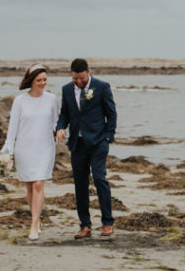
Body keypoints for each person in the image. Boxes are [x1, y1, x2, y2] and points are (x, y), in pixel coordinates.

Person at [55, 58, 117, 238]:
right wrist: (60, 128)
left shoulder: (102, 86)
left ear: (88, 72)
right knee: (80, 184)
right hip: (77, 144)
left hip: (98, 142)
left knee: (99, 179)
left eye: (81, 78)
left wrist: (107, 137)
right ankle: (85, 225)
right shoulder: (67, 89)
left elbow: (111, 114)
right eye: (75, 79)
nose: (79, 82)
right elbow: (64, 114)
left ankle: (107, 222)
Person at [2, 63, 58, 240]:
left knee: (39, 184)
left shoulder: (52, 99)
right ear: (31, 81)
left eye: (45, 80)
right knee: (29, 187)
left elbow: (56, 123)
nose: (42, 83)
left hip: (45, 147)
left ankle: (34, 224)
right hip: (25, 149)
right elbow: (13, 129)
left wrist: (63, 133)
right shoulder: (20, 101)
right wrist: (7, 151)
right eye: (39, 80)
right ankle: (37, 218)